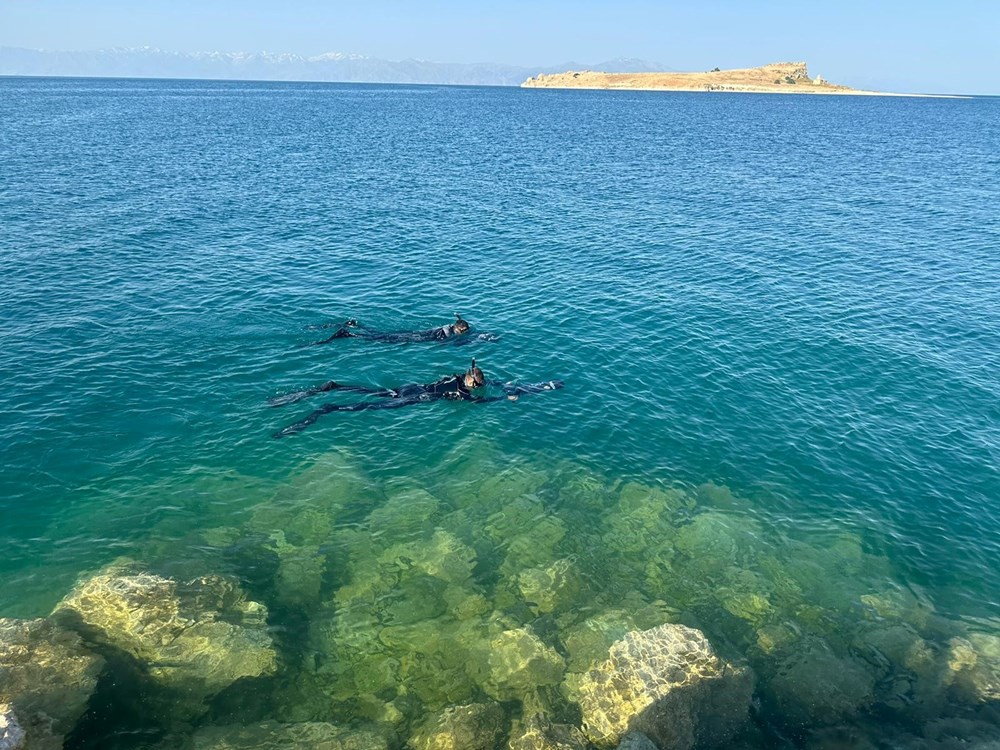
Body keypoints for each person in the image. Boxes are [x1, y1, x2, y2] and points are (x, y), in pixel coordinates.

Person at [271, 359, 563, 438]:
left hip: (409, 386)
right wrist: (504, 400)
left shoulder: (456, 378)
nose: (476, 389)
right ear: (472, 382)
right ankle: (325, 408)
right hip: (414, 398)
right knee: (363, 406)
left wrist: (538, 386)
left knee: (371, 393)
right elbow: (479, 401)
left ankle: (333, 386)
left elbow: (484, 384)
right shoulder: (462, 392)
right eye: (477, 385)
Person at [310, 313, 497, 346]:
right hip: (415, 339)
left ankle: (356, 326)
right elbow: (452, 345)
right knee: (382, 339)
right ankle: (350, 333)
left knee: (382, 335)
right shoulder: (447, 335)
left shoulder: (447, 327)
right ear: (459, 330)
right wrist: (479, 339)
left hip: (416, 334)